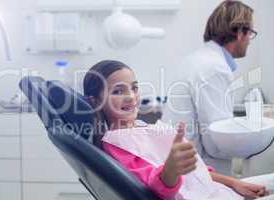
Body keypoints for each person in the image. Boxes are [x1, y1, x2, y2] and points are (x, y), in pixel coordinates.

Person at [83, 59, 274, 200]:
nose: (131, 97)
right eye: (118, 91)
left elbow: (197, 172)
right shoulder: (118, 144)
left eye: (134, 88)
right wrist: (171, 169)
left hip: (218, 190)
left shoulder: (140, 129)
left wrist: (234, 183)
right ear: (95, 101)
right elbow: (158, 186)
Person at [162, 0, 258, 160]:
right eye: (250, 34)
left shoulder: (197, 59)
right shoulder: (214, 68)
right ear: (240, 32)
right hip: (196, 171)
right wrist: (254, 143)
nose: (249, 40)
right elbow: (217, 143)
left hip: (177, 163)